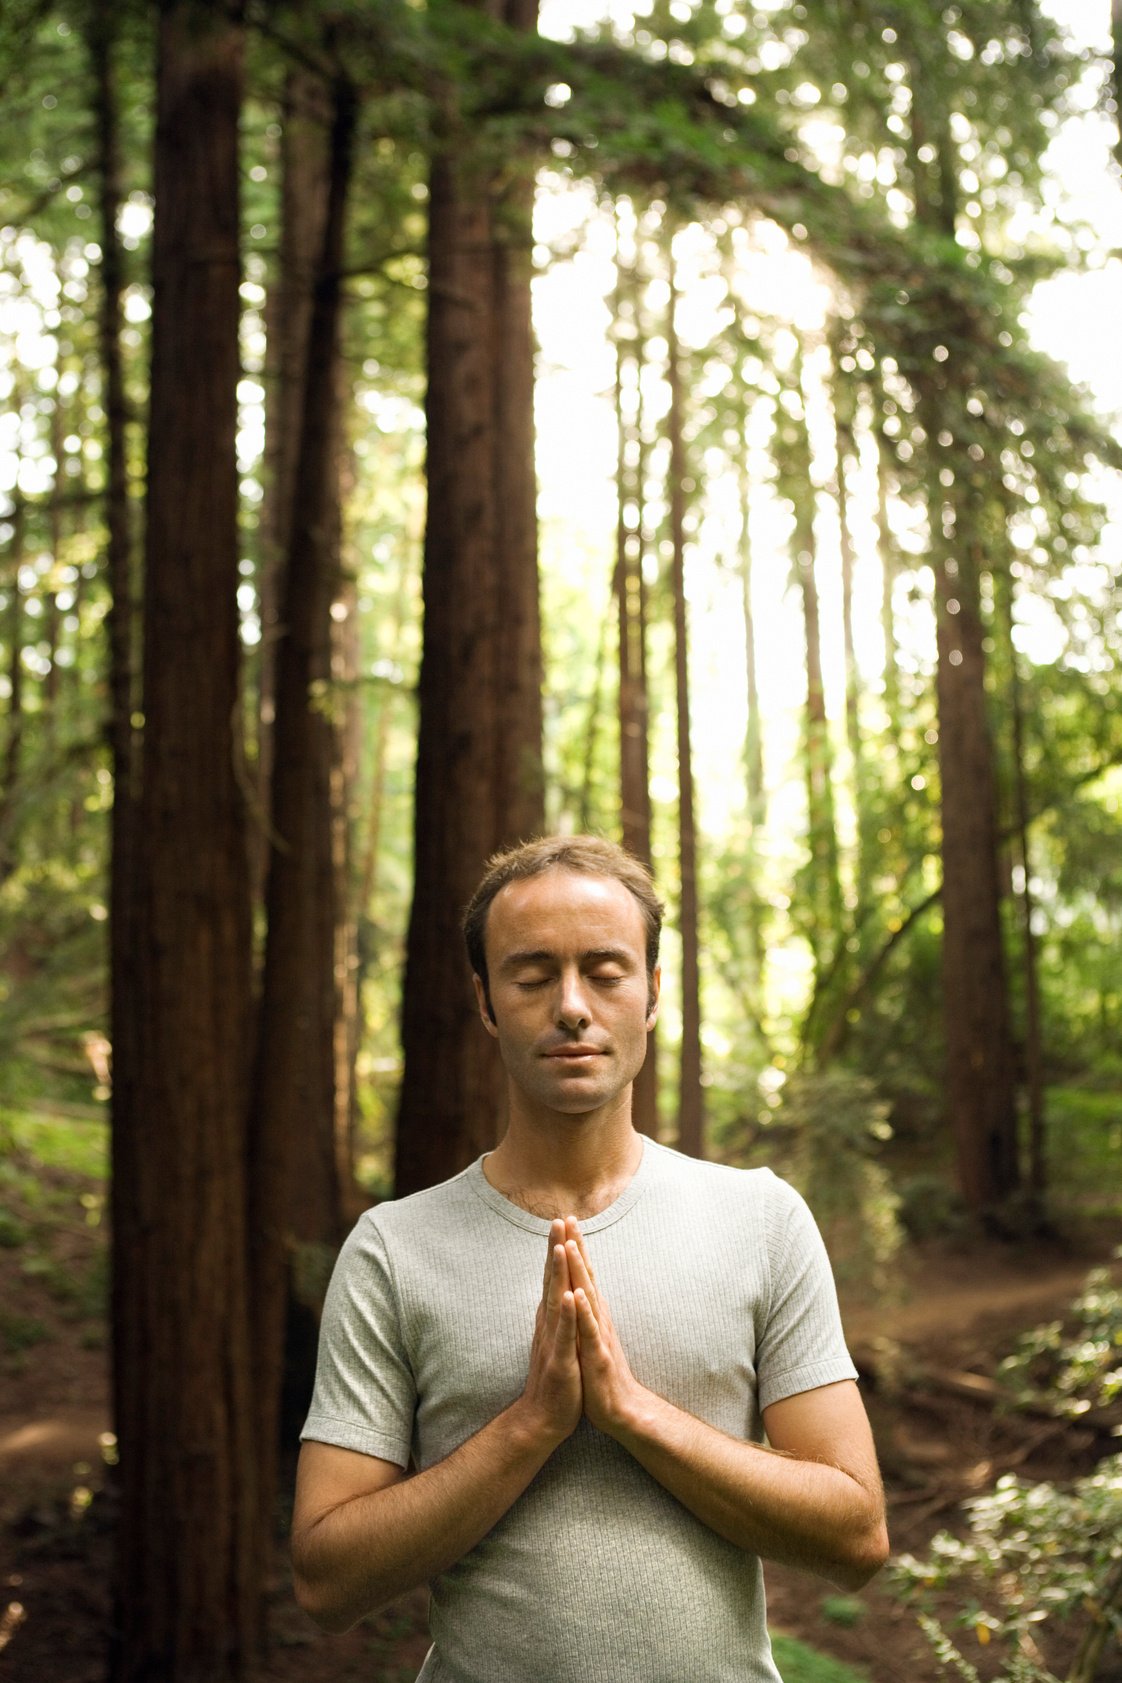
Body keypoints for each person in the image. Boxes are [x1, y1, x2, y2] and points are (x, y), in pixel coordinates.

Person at [292, 835, 888, 1682]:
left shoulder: (760, 1218)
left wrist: (634, 1414)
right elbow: (324, 1578)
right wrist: (529, 1425)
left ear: (651, 991)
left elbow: (856, 1533)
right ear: (487, 1000)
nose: (572, 1005)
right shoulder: (394, 1248)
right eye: (532, 974)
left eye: (606, 971)